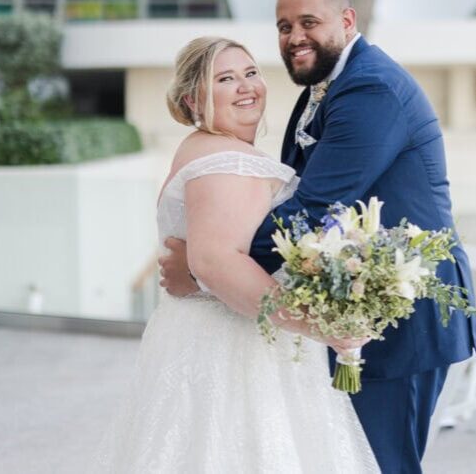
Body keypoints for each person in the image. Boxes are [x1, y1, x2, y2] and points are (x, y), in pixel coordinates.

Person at [161, 0, 476, 473]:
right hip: (350, 304)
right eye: (284, 27)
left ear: (347, 20)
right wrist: (212, 257)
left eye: (309, 22)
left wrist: (209, 264)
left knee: (381, 462)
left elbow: (312, 210)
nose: (294, 37)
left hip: (398, 312)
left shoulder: (370, 88)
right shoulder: (325, 87)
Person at [95, 36, 378, 473]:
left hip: (219, 339)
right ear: (194, 98)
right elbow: (216, 263)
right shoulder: (226, 160)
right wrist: (321, 326)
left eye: (251, 73)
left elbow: (210, 257)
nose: (246, 86)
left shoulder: (212, 148)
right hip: (234, 353)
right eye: (226, 79)